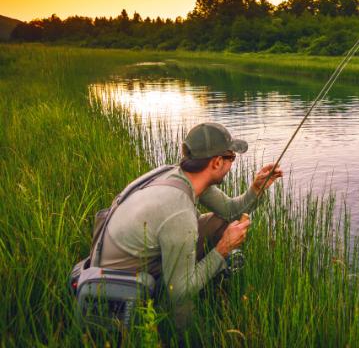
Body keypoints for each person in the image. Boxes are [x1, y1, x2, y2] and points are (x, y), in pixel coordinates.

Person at [93, 122, 282, 325]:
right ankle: (183, 333)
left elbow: (229, 211)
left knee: (221, 221)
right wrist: (223, 248)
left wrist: (256, 188)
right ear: (217, 162)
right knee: (183, 298)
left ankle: (202, 274)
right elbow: (179, 291)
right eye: (231, 158)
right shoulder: (179, 211)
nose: (231, 164)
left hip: (132, 256)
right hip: (124, 282)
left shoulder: (180, 175)